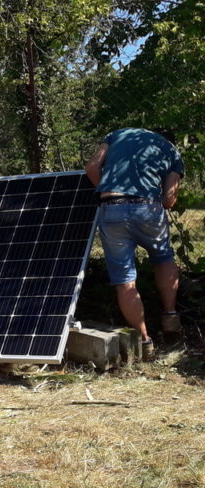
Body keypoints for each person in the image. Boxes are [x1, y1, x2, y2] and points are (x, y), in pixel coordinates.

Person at [84, 127, 184, 359]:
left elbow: (91, 168)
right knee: (163, 258)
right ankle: (170, 317)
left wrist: (110, 192)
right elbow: (168, 199)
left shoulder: (118, 135)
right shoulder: (171, 150)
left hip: (111, 209)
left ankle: (144, 341)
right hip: (148, 209)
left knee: (125, 281)